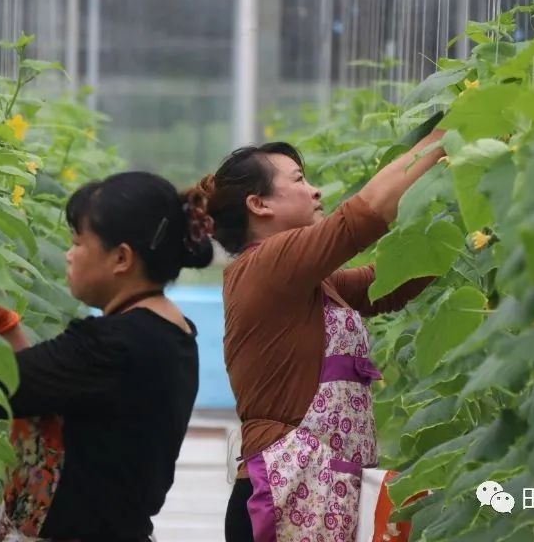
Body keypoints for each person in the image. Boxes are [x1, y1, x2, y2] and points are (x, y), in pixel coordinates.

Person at [0, 171, 214, 542]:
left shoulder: (116, 344)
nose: (68, 254)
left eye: (78, 242)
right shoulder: (169, 333)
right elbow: (39, 390)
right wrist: (4, 325)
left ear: (121, 258)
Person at [189, 128, 446, 542]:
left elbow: (388, 285)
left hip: (320, 492)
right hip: (284, 496)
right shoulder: (267, 264)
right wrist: (443, 137)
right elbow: (360, 219)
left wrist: (462, 225)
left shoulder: (310, 283)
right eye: (298, 180)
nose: (314, 190)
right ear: (259, 204)